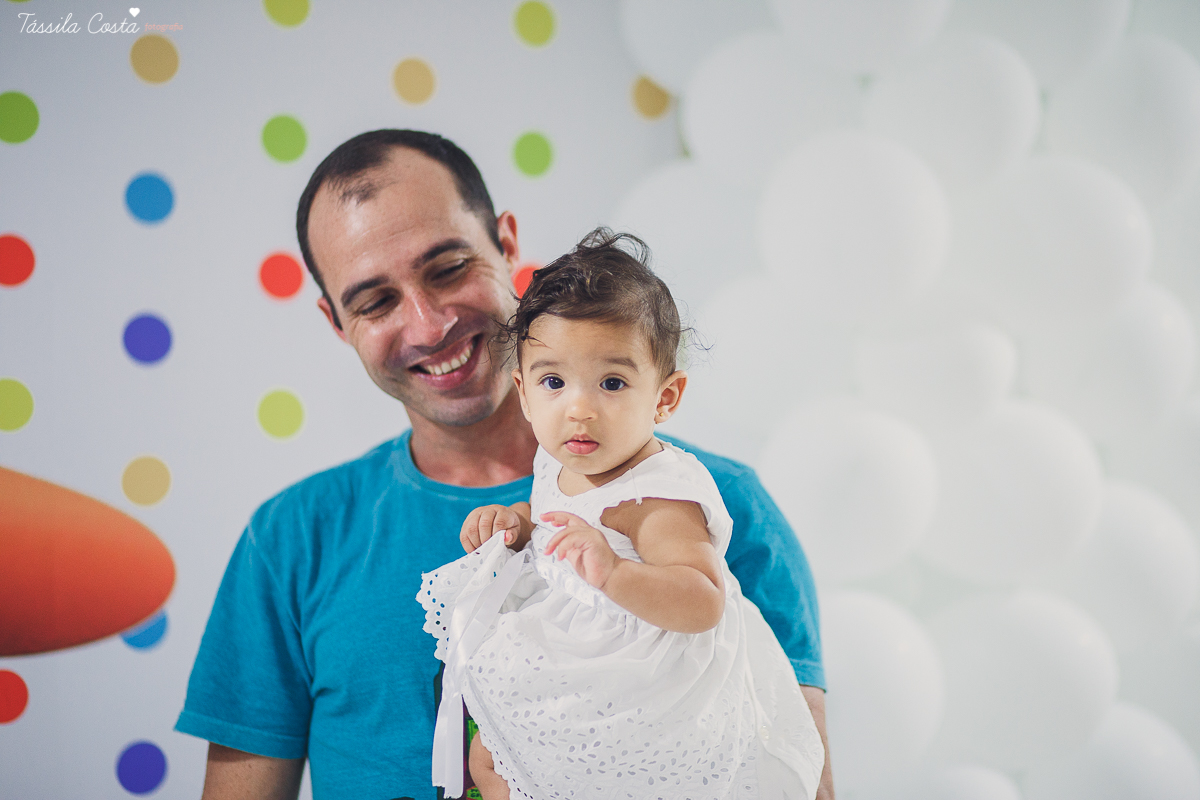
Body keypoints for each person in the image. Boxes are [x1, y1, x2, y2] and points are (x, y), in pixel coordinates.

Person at [176, 129, 834, 800]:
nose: (430, 326)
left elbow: (795, 775)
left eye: (448, 267)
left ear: (508, 245)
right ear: (336, 322)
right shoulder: (290, 540)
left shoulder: (717, 508)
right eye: (375, 301)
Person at [420, 229, 826, 800]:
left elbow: (703, 598)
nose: (579, 408)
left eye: (612, 382)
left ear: (664, 398)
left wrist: (614, 572)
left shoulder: (658, 493)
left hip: (650, 680)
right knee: (490, 757)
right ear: (525, 392)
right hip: (576, 651)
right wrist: (518, 525)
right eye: (554, 382)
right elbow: (560, 522)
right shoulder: (556, 462)